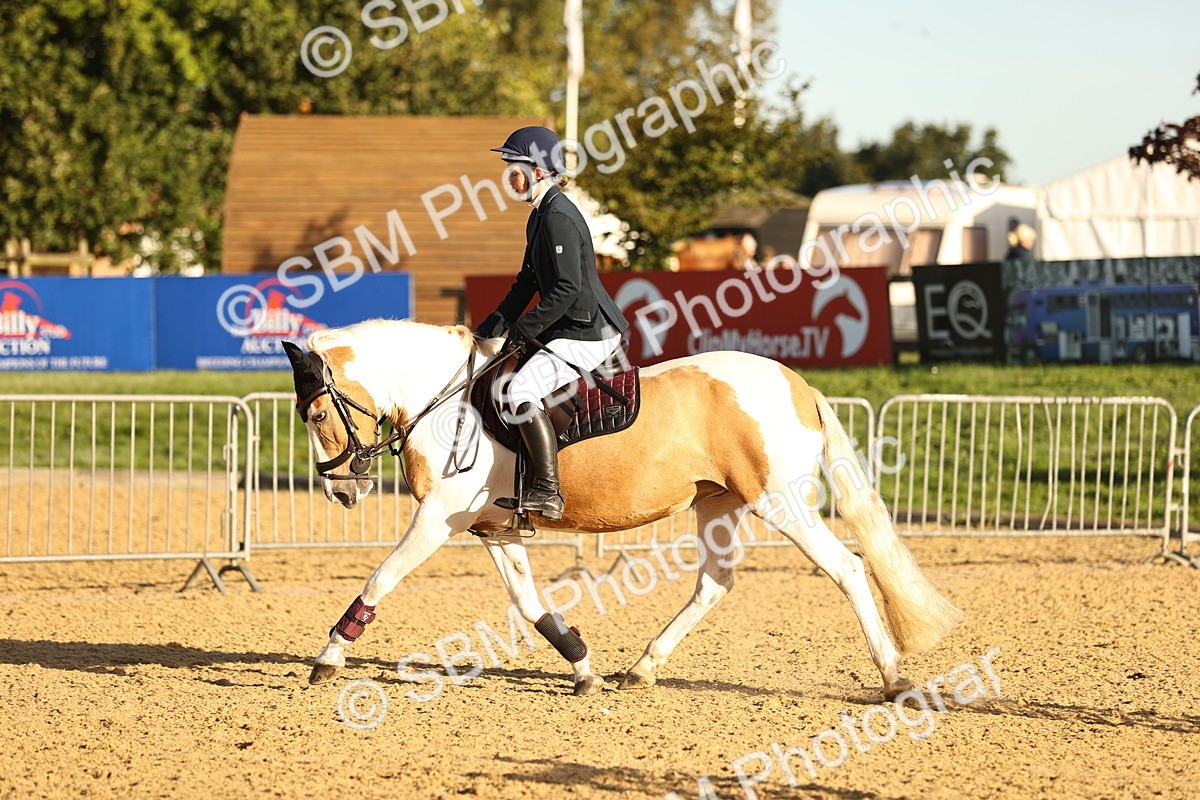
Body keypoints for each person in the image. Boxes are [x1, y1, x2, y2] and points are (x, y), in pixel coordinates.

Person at [473, 126, 630, 520]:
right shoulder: (539, 216)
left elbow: (565, 288)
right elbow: (528, 281)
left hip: (588, 331)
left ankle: (548, 491)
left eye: (515, 168)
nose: (509, 176)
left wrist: (524, 330)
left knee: (519, 388)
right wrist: (495, 322)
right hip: (568, 326)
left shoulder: (558, 217)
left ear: (539, 170)